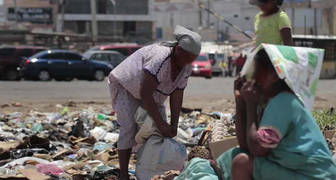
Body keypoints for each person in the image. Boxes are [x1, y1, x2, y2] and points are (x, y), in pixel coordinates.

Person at [218, 49, 336, 180]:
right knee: (237, 154)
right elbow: (245, 145)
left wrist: (250, 105)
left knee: (241, 163)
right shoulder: (267, 101)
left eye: (257, 72)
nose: (253, 78)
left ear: (274, 76)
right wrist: (241, 102)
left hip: (314, 175)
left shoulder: (283, 101)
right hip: (296, 171)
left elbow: (257, 149)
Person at [108, 25, 201, 180]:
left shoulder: (185, 67)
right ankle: (123, 173)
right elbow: (145, 93)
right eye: (186, 58)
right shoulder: (160, 57)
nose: (187, 63)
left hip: (153, 96)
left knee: (158, 133)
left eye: (191, 60)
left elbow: (177, 95)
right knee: (130, 127)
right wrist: (161, 123)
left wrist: (173, 125)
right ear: (178, 50)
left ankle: (148, 171)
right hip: (128, 87)